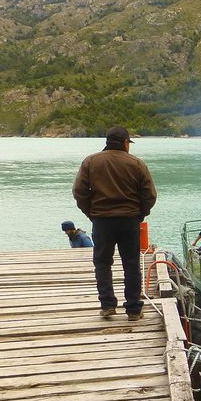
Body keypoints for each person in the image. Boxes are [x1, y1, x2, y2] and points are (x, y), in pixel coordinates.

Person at [72, 126, 157, 321]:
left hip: (102, 221)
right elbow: (149, 195)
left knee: (102, 263)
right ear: (126, 143)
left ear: (107, 141)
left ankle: (107, 305)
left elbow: (79, 192)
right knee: (131, 264)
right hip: (129, 220)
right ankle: (134, 309)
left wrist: (91, 213)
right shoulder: (137, 164)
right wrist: (140, 214)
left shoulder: (91, 162)